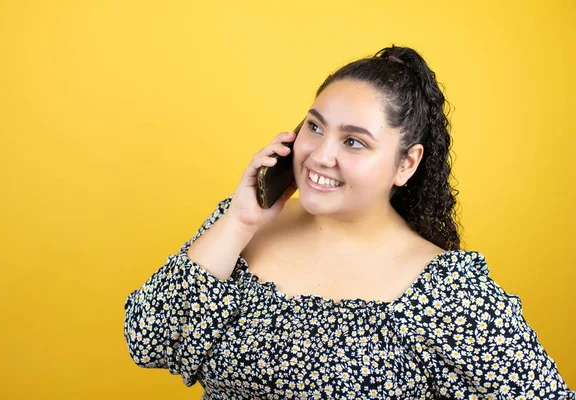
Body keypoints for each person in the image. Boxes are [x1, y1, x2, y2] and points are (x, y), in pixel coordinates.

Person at [123, 45, 575, 399]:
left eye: (354, 142)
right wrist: (240, 220)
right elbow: (148, 341)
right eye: (315, 127)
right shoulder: (244, 227)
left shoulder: (446, 292)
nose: (321, 155)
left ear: (406, 164)